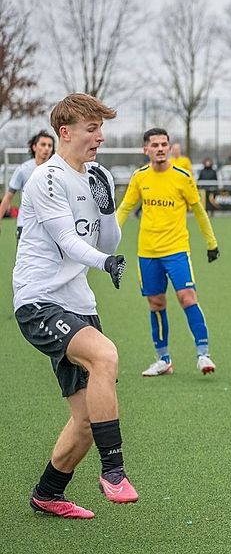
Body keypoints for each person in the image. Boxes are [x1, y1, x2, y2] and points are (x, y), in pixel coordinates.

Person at [14, 93, 138, 519]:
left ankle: (48, 493)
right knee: (106, 356)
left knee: (86, 420)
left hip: (77, 302)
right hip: (39, 301)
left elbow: (106, 241)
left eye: (101, 128)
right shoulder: (46, 179)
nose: (100, 137)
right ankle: (114, 471)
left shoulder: (98, 173)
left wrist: (107, 210)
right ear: (65, 133)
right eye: (92, 128)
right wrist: (106, 263)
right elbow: (68, 242)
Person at [116, 128, 221, 377]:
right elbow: (124, 209)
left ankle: (203, 353)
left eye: (164, 144)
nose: (160, 148)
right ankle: (164, 360)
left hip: (176, 250)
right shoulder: (140, 177)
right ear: (146, 150)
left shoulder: (183, 176)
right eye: (155, 145)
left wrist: (211, 243)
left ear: (169, 147)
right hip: (148, 251)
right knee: (156, 303)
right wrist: (110, 238)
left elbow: (199, 211)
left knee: (187, 297)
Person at [1, 130, 55, 240]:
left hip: (49, 226)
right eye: (43, 144)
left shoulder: (56, 170)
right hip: (25, 224)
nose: (46, 148)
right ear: (34, 147)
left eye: (50, 145)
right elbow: (9, 196)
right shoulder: (23, 170)